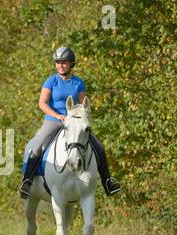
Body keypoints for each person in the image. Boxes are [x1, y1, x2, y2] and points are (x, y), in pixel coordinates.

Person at [20, 47, 121, 199]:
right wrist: (58, 116)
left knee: (98, 146)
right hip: (54, 121)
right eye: (58, 62)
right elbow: (42, 103)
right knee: (37, 146)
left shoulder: (78, 83)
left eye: (64, 62)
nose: (61, 65)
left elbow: (83, 105)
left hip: (74, 123)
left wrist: (80, 118)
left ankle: (107, 181)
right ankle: (27, 182)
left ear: (71, 64)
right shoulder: (51, 81)